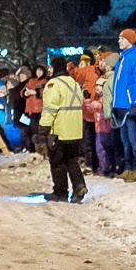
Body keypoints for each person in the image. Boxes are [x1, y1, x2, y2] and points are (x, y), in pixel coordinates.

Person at [39, 57, 87, 203]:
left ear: (55, 68)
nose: (49, 70)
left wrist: (43, 128)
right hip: (75, 129)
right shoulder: (73, 82)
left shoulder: (53, 84)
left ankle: (60, 192)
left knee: (57, 162)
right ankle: (79, 186)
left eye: (50, 67)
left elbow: (50, 109)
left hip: (59, 130)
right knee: (71, 160)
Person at [112, 29, 136, 182]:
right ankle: (128, 167)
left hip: (130, 105)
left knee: (134, 139)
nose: (119, 41)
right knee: (125, 139)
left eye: (122, 38)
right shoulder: (121, 59)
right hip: (120, 104)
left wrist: (135, 103)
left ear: (129, 40)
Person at [23, 65, 49, 155]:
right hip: (31, 110)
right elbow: (23, 91)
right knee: (33, 131)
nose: (39, 72)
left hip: (40, 110)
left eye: (41, 71)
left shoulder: (45, 81)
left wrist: (35, 92)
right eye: (38, 70)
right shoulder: (31, 80)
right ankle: (36, 150)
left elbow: (46, 93)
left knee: (41, 131)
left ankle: (43, 151)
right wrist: (26, 93)